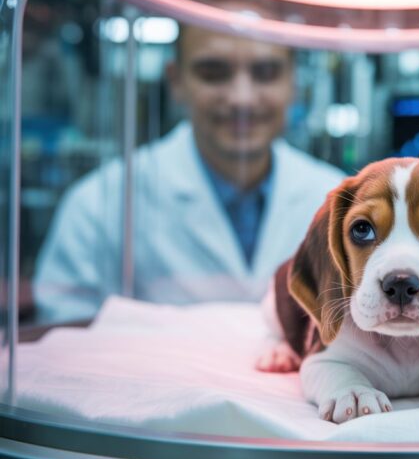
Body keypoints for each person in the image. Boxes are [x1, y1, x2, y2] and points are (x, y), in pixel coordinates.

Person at [33, 23, 346, 324]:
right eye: (213, 73)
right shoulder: (100, 204)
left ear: (292, 82)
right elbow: (66, 331)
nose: (242, 98)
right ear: (176, 81)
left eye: (265, 73)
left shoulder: (336, 198)